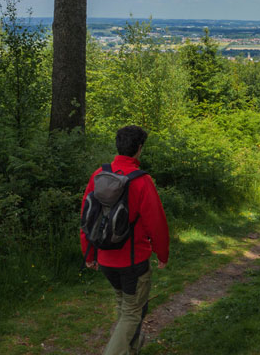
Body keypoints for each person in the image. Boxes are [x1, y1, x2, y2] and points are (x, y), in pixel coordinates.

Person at [80, 125, 170, 355]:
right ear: (139, 149)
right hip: (133, 262)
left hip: (105, 259)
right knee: (132, 312)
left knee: (126, 306)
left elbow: (87, 219)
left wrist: (89, 254)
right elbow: (156, 223)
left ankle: (131, 350)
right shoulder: (142, 181)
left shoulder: (98, 175)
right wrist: (162, 253)